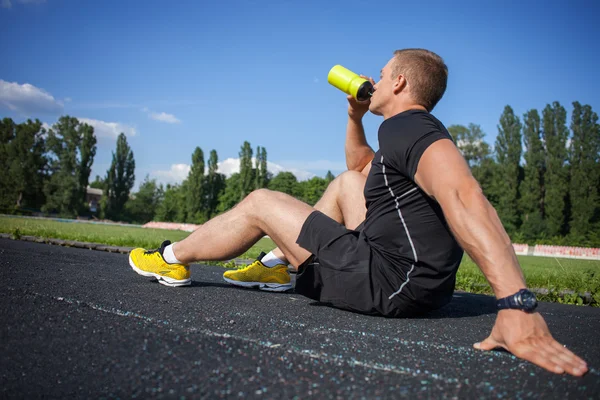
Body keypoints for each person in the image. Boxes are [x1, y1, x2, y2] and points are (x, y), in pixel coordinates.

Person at [128, 49, 588, 376]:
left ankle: (172, 258)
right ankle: (278, 267)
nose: (376, 77)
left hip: (389, 284)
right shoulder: (400, 131)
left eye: (383, 72)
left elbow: (466, 196)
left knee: (261, 202)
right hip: (413, 279)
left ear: (400, 83)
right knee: (349, 183)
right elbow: (358, 168)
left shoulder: (411, 126)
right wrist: (354, 116)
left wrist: (515, 302)